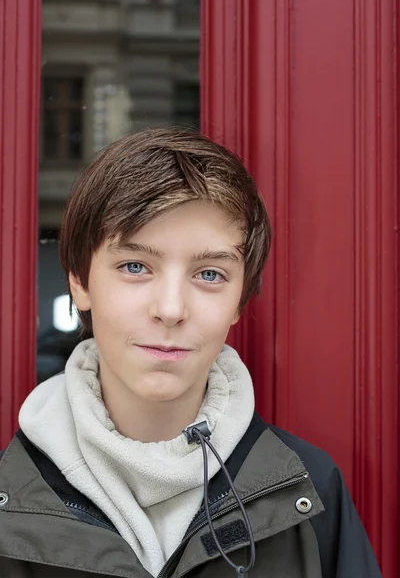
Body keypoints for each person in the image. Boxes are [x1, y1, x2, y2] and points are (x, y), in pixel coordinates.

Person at [0, 128, 381, 577]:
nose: (171, 309)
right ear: (80, 282)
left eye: (210, 274)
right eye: (135, 266)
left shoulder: (311, 490)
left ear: (240, 300)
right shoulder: (10, 492)